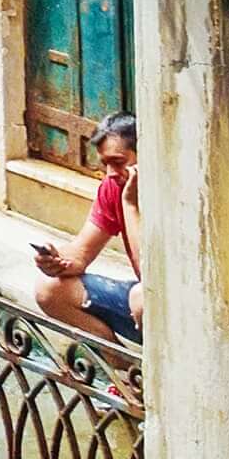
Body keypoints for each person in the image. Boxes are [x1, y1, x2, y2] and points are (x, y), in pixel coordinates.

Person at [34, 112, 142, 343]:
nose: (111, 173)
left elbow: (152, 276)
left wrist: (130, 205)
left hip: (178, 305)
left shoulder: (169, 191)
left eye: (119, 162)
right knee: (49, 290)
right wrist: (55, 261)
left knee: (144, 300)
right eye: (105, 164)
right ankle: (124, 374)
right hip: (140, 301)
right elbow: (81, 252)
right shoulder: (113, 186)